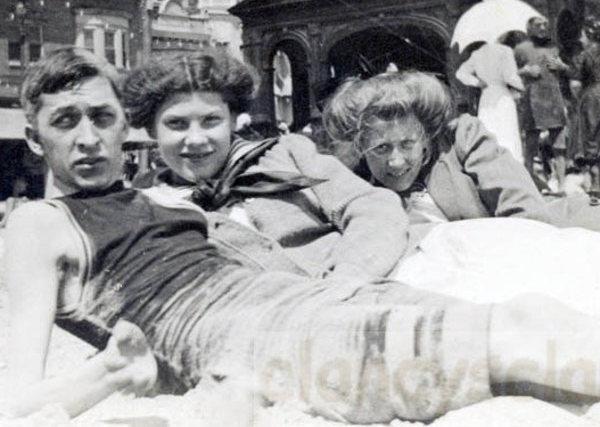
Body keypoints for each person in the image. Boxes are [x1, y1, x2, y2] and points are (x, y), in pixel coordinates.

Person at [9, 48, 600, 423]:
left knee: (529, 325)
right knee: (516, 340)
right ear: (34, 140)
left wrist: (342, 283)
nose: (88, 138)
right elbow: (17, 392)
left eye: (102, 119)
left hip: (322, 299)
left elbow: (371, 209)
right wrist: (112, 373)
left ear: (123, 130)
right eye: (65, 121)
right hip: (264, 333)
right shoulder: (40, 223)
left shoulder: (158, 200)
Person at [322, 69, 600, 309]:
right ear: (360, 148)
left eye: (407, 144)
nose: (396, 162)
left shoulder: (462, 140)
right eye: (381, 148)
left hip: (514, 261)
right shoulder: (356, 184)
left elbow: (526, 213)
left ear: (425, 136)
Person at [123, 49, 407, 280]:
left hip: (351, 294)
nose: (196, 139)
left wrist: (349, 277)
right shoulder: (143, 205)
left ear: (233, 120)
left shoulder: (288, 154)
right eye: (176, 124)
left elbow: (374, 209)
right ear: (151, 130)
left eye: (211, 121)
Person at [514, 17, 570, 194]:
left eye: (546, 25)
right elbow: (508, 72)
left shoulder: (554, 47)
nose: (543, 28)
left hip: (553, 98)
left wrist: (561, 66)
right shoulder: (521, 49)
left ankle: (561, 186)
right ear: (529, 28)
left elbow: (571, 70)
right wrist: (525, 70)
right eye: (538, 25)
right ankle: (529, 184)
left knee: (559, 145)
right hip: (532, 99)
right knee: (530, 144)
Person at [455, 41, 524, 162]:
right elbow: (509, 77)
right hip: (502, 96)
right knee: (506, 130)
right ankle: (510, 164)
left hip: (486, 96)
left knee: (490, 128)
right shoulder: (504, 50)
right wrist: (523, 86)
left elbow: (460, 73)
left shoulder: (477, 53)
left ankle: (490, 163)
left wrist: (477, 82)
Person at [569, 16, 600, 193]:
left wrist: (580, 99)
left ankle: (596, 183)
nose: (581, 39)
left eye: (582, 35)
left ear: (589, 34)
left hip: (592, 97)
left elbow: (575, 84)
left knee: (591, 137)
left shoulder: (582, 56)